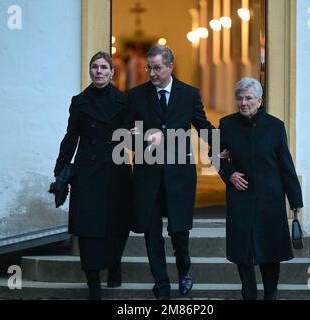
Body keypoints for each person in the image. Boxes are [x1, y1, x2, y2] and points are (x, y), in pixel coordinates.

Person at [126, 45, 215, 300]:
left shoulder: (189, 94)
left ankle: (184, 271)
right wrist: (141, 139)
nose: (152, 73)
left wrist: (226, 145)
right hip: (148, 177)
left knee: (179, 233)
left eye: (157, 68)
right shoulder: (136, 96)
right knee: (152, 234)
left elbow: (203, 126)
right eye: (149, 68)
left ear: (170, 67)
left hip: (179, 177)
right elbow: (125, 136)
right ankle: (161, 285)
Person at [53, 52, 133, 300]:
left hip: (116, 168)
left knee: (118, 222)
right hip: (87, 169)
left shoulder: (124, 101)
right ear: (90, 71)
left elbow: (133, 134)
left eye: (103, 67)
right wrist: (61, 170)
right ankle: (93, 281)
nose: (98, 71)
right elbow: (70, 137)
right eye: (94, 67)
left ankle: (114, 264)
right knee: (88, 225)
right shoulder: (79, 102)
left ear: (111, 72)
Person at [217, 77, 303, 300]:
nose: (244, 103)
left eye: (249, 98)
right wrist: (229, 174)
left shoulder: (275, 126)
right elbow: (216, 157)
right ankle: (249, 294)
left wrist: (296, 201)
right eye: (240, 98)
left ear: (259, 100)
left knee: (270, 252)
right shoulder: (227, 124)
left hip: (270, 199)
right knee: (243, 253)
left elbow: (286, 165)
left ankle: (271, 293)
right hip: (241, 197)